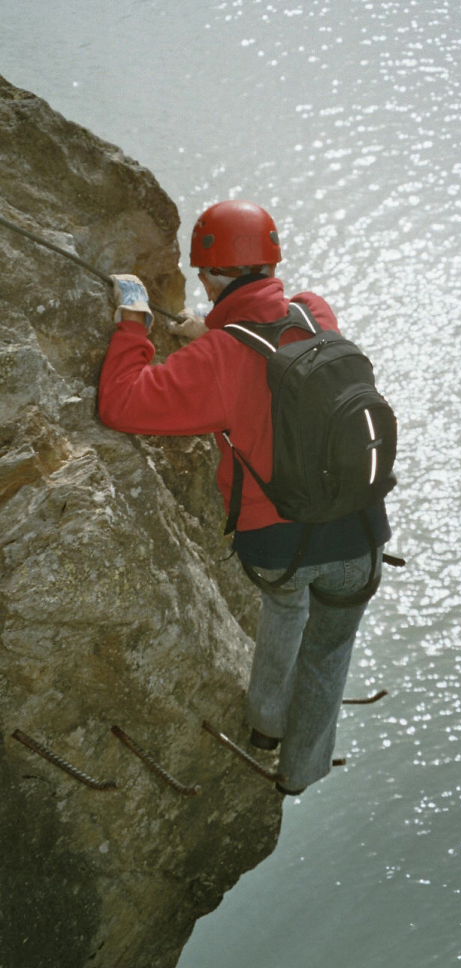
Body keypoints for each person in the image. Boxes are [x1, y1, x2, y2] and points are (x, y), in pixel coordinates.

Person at [98, 199, 391, 796]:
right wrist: (213, 332)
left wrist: (134, 324)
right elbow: (271, 334)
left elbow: (123, 405)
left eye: (202, 274)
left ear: (211, 274)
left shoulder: (216, 357)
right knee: (331, 647)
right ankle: (301, 772)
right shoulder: (314, 314)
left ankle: (264, 726)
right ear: (270, 260)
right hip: (361, 530)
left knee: (286, 611)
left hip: (279, 542)